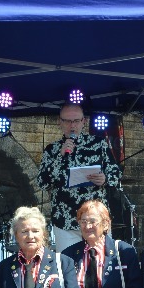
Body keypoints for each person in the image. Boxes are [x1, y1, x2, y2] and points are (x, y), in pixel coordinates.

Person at [37, 103, 122, 251]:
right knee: (68, 267)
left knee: (100, 266)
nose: (72, 125)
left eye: (76, 121)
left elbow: (116, 173)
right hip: (65, 221)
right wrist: (59, 157)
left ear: (83, 121)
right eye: (67, 121)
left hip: (95, 220)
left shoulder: (99, 144)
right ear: (60, 122)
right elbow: (42, 183)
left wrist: (105, 179)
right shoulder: (52, 150)